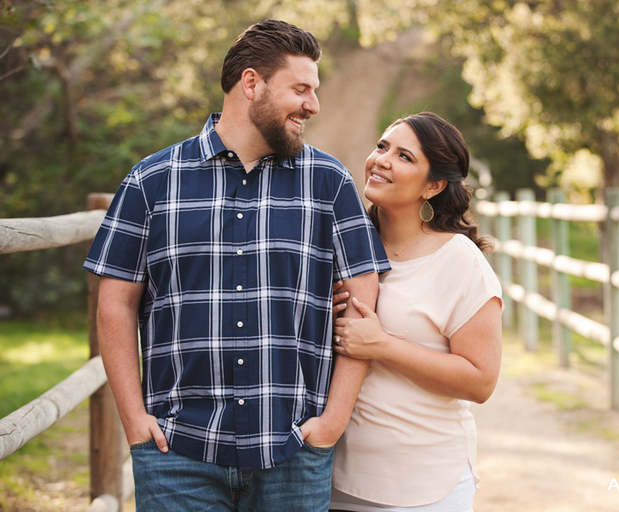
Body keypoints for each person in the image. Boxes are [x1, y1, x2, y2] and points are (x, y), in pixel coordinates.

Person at [83, 19, 390, 512]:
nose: (313, 104)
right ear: (252, 84)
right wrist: (135, 419)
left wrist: (331, 422)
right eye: (301, 88)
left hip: (292, 452)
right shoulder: (152, 181)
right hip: (175, 451)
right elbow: (115, 302)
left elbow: (364, 304)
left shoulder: (329, 183)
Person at [328, 112, 503, 512]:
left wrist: (382, 346)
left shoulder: (457, 259)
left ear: (434, 185)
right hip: (334, 474)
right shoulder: (345, 242)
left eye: (405, 156)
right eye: (382, 146)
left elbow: (480, 381)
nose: (383, 160)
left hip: (421, 483)